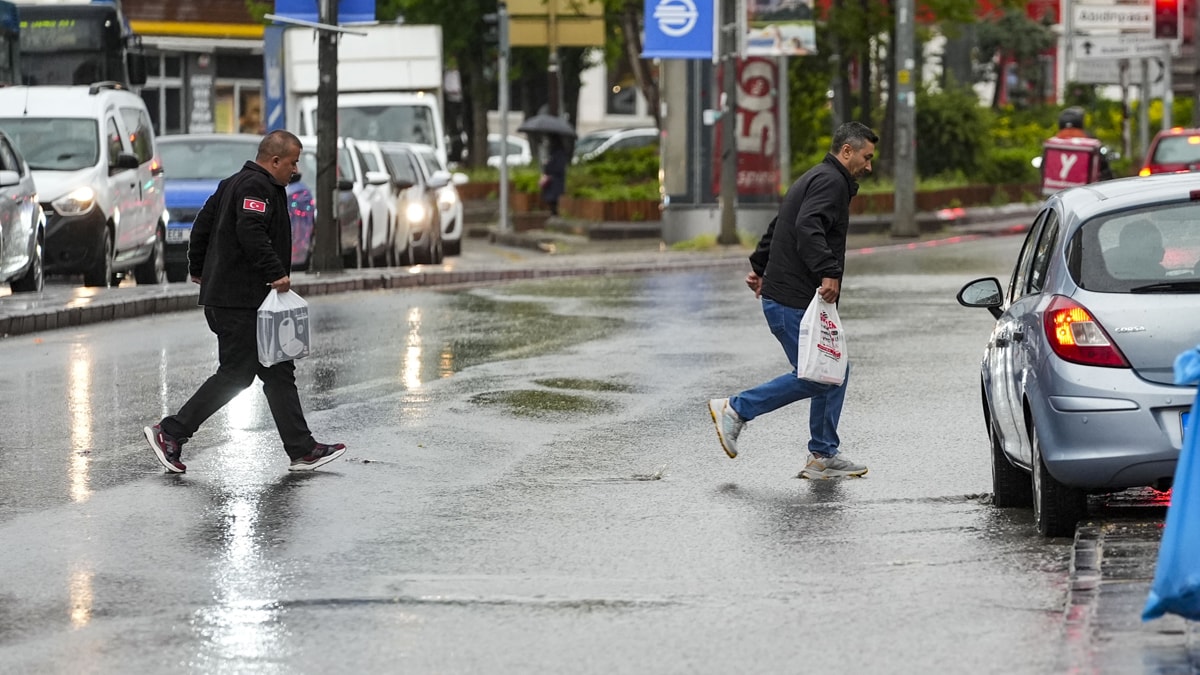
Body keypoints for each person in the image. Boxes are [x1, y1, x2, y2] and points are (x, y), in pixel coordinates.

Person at [142, 130, 346, 473]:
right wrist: (275, 271)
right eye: (292, 163)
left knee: (279, 370)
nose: (295, 170)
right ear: (275, 160)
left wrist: (197, 268)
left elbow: (202, 225)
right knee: (236, 374)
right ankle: (171, 432)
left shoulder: (233, 183)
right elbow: (250, 230)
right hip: (238, 301)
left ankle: (302, 449)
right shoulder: (255, 186)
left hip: (245, 299)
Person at [708, 121, 877, 480]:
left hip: (790, 297)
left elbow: (779, 224)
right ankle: (736, 409)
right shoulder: (831, 182)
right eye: (866, 157)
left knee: (833, 370)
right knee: (821, 376)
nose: (869, 165)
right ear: (847, 151)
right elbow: (806, 226)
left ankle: (823, 455)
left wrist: (759, 266)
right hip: (792, 300)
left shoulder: (814, 177)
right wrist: (828, 271)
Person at [1052, 106, 1113, 181]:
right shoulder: (1090, 143)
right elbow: (1105, 171)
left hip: (1056, 184)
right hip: (1086, 185)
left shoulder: (1053, 143)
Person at [540, 135, 568, 216]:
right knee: (552, 198)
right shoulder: (554, 153)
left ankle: (554, 214)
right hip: (553, 180)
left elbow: (558, 168)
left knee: (554, 198)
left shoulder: (559, 153)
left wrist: (548, 166)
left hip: (555, 180)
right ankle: (553, 213)